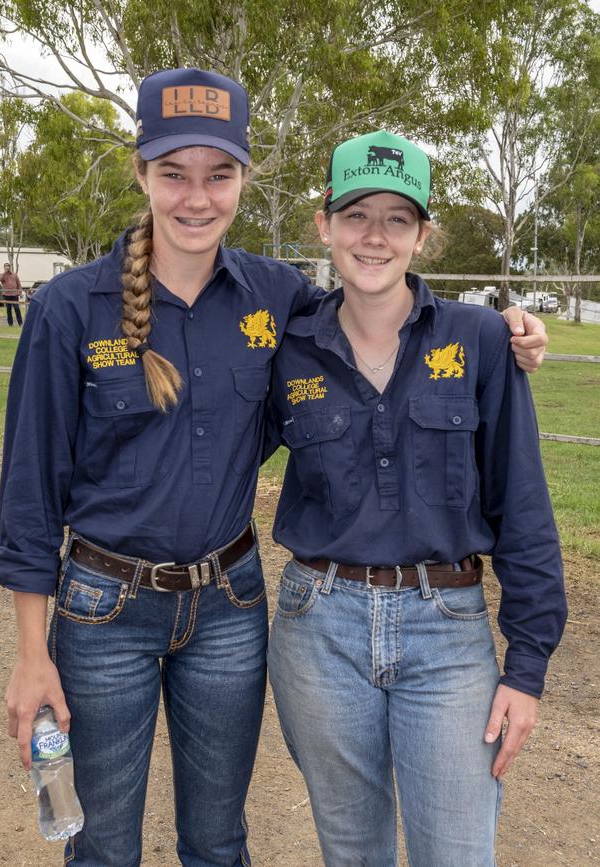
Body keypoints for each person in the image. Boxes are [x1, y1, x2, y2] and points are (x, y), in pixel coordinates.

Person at [0, 69, 548, 867]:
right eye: (173, 173)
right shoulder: (68, 310)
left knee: (219, 842)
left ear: (244, 179)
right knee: (101, 847)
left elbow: (385, 314)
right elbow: (29, 496)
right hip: (100, 610)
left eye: (219, 174)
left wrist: (504, 331)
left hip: (228, 606)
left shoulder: (277, 296)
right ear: (141, 173)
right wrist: (29, 652)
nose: (197, 197)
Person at [266, 130, 567, 867]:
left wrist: (526, 668)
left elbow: (522, 504)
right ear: (324, 224)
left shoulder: (478, 340)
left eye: (397, 219)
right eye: (356, 214)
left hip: (448, 630)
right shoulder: (286, 343)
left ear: (423, 235)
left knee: (457, 852)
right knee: (353, 852)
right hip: (319, 625)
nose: (374, 236)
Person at [0, 262, 23, 326]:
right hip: (7, 295)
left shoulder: (14, 275)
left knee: (17, 309)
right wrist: (5, 272)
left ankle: (20, 323)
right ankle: (10, 324)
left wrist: (20, 293)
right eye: (5, 266)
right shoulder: (2, 274)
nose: (7, 267)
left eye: (8, 266)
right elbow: (0, 280)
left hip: (14, 295)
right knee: (8, 309)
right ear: (4, 267)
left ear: (10, 267)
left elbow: (19, 285)